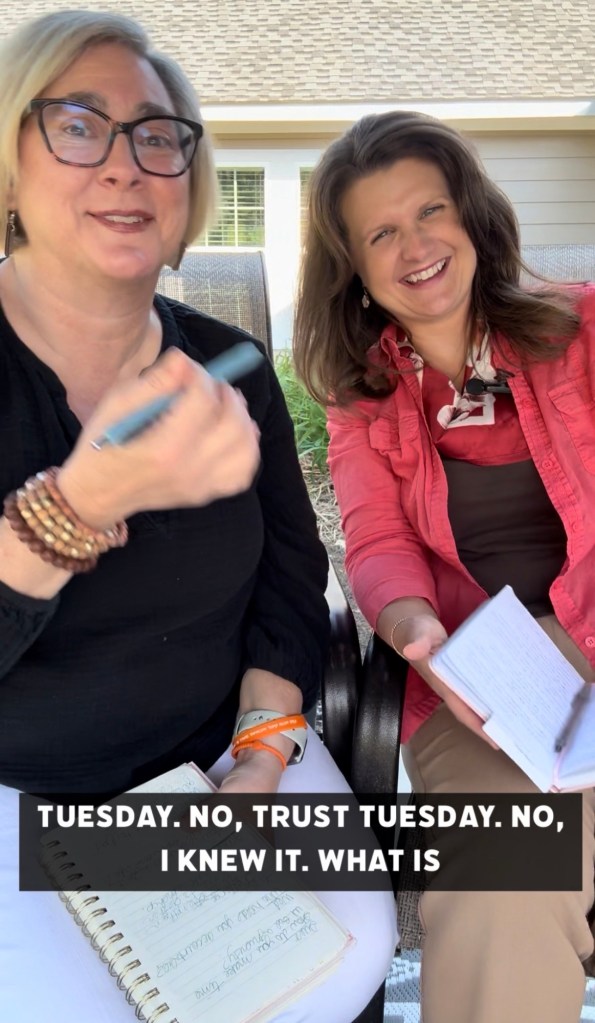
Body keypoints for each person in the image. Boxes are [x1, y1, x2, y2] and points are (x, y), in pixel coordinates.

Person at [0, 13, 397, 1022]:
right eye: (77, 124)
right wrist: (75, 509)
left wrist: (260, 756)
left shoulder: (231, 366)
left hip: (221, 759)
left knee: (350, 954)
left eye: (158, 134)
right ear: (9, 170)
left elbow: (290, 578)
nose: (125, 163)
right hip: (21, 800)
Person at [293, 108, 595, 1023]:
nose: (415, 245)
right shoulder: (362, 394)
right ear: (353, 266)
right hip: (483, 681)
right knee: (508, 863)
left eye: (429, 210)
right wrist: (413, 630)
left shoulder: (582, 330)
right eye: (380, 232)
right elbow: (376, 541)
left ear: (470, 214)